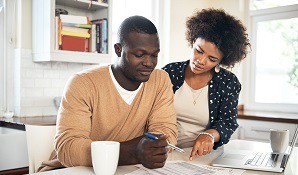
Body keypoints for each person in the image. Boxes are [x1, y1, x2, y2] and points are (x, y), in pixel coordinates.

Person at [39, 15, 177, 171]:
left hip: (125, 169)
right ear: (118, 50)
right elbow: (68, 148)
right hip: (70, 169)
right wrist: (132, 152)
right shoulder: (82, 83)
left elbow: (166, 133)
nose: (149, 63)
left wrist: (152, 147)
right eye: (139, 55)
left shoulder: (160, 81)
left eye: (154, 55)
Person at [162, 8, 250, 160]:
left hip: (204, 156)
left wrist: (208, 135)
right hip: (167, 153)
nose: (201, 61)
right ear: (194, 39)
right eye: (199, 51)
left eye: (212, 59)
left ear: (222, 60)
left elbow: (227, 122)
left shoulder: (228, 82)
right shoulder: (170, 72)